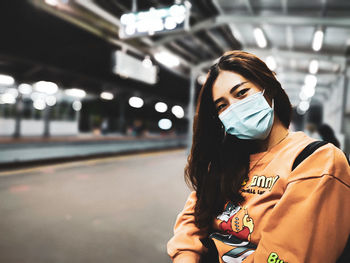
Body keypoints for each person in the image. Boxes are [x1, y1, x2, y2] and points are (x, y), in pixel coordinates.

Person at [167, 51, 350, 263]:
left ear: (268, 90)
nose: (233, 108)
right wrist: (186, 256)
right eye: (222, 105)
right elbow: (193, 218)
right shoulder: (228, 162)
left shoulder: (316, 161)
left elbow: (286, 255)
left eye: (241, 93)